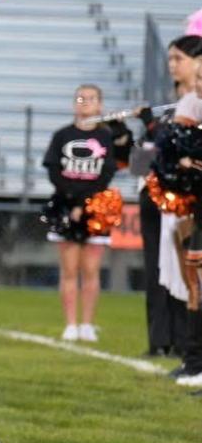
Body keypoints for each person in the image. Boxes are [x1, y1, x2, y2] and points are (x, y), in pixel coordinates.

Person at [42, 83, 130, 342]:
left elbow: (108, 172)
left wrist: (85, 202)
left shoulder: (106, 137)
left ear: (100, 104)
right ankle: (70, 324)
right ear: (73, 103)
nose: (85, 102)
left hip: (96, 208)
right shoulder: (62, 135)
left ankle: (88, 324)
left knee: (91, 269)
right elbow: (53, 171)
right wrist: (72, 199)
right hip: (65, 206)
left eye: (91, 98)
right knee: (69, 269)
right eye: (80, 98)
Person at [145, 37, 202, 373]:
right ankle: (192, 357)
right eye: (196, 82)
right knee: (190, 274)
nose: (197, 88)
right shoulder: (189, 105)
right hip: (191, 204)